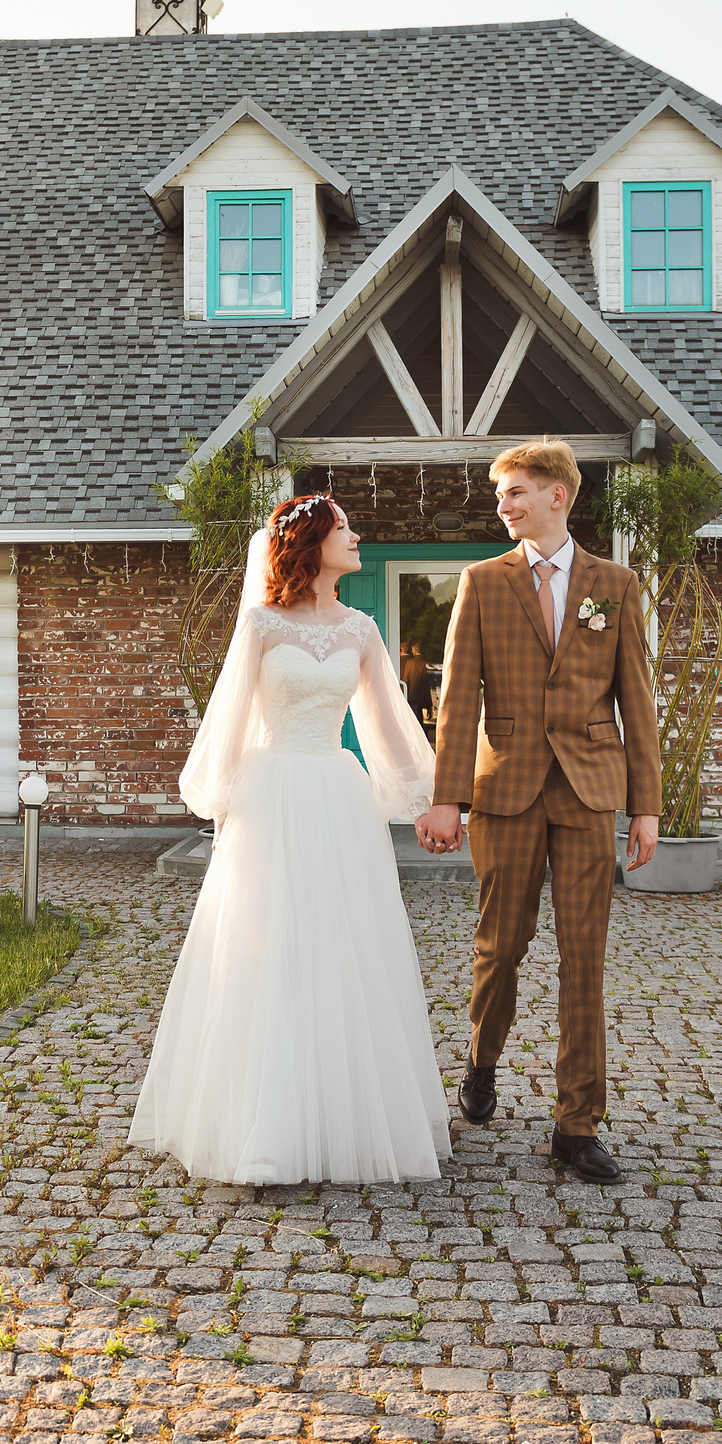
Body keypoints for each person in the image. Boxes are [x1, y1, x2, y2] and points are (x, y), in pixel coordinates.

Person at [130, 494, 452, 1186]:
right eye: (344, 528)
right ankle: (265, 1127)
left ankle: (338, 1115)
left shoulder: (362, 630)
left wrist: (426, 804)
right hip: (271, 796)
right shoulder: (261, 625)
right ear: (311, 543)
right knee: (270, 943)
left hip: (337, 797)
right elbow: (232, 721)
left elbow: (386, 727)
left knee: (341, 945)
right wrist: (223, 806)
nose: (357, 537)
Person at [412, 440, 662, 1185]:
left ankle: (576, 1125)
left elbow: (637, 700)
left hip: (589, 789)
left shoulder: (615, 584)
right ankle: (482, 1060)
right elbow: (458, 697)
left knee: (585, 957)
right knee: (502, 944)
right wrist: (447, 796)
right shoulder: (483, 582)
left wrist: (646, 806)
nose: (504, 505)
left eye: (516, 491)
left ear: (559, 495)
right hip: (507, 788)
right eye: (500, 495)